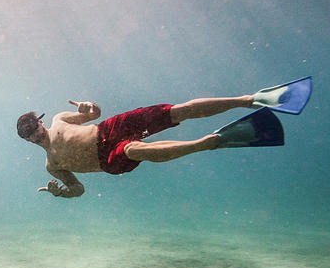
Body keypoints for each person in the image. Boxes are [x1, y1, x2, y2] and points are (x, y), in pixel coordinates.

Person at [16, 76, 314, 198]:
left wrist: (89, 106)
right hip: (108, 158)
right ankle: (209, 143)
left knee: (175, 112)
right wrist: (62, 193)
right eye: (30, 133)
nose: (36, 133)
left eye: (35, 126)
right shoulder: (51, 165)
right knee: (134, 151)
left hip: (109, 128)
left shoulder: (59, 119)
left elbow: (94, 114)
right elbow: (78, 188)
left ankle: (249, 100)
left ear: (41, 122)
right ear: (28, 139)